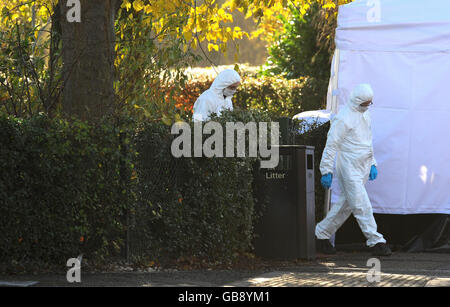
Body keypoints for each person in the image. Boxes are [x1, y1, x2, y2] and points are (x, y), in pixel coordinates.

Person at [316, 83, 392, 256]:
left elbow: (367, 140)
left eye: (370, 103)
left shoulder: (365, 114)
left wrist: (372, 163)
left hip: (363, 166)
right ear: (358, 101)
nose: (368, 106)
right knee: (362, 205)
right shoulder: (343, 118)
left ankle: (321, 234)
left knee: (346, 204)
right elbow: (331, 144)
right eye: (366, 103)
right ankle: (375, 240)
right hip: (349, 167)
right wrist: (326, 169)